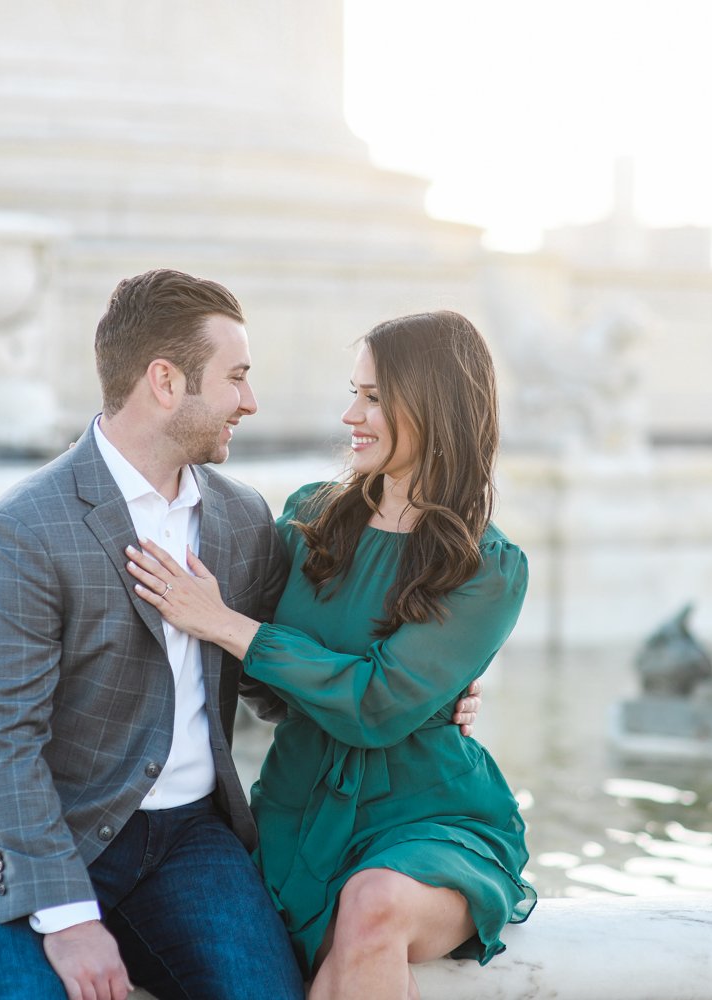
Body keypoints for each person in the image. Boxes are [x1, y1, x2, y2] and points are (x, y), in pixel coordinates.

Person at [0, 270, 481, 1000]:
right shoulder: (21, 532)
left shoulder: (242, 520)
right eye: (235, 378)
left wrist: (425, 688)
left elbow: (268, 676)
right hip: (38, 840)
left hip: (190, 842)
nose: (250, 402)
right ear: (165, 381)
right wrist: (67, 917)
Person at [125, 309, 536, 999]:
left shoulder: (488, 567)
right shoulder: (309, 518)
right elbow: (267, 690)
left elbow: (376, 706)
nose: (353, 414)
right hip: (298, 810)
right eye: (356, 391)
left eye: (375, 398)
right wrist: (229, 631)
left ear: (434, 406)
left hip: (426, 816)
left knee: (372, 904)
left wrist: (231, 626)